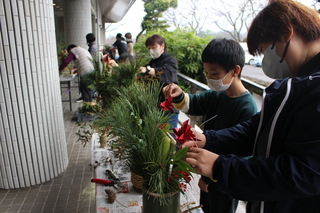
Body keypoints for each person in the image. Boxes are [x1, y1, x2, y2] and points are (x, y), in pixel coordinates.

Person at [182, 0, 320, 212]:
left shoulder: (313, 88)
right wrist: (210, 139)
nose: (265, 61)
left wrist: (220, 168)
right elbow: (257, 129)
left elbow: (303, 172)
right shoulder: (297, 85)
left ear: (286, 32)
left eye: (265, 51)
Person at [163, 38, 258, 213]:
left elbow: (242, 153)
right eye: (206, 73)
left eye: (214, 74)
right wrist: (178, 95)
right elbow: (192, 103)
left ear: (235, 70)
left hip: (224, 177)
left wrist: (209, 178)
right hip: (206, 170)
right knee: (208, 206)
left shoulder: (247, 108)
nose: (209, 78)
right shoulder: (217, 94)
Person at [140, 34, 179, 128]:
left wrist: (150, 71)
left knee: (170, 137)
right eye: (149, 48)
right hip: (154, 106)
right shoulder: (151, 62)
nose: (151, 51)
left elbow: (167, 73)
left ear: (162, 46)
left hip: (169, 106)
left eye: (154, 47)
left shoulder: (170, 60)